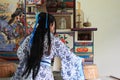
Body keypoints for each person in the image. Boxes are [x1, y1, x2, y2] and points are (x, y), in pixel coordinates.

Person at [12, 12, 85, 80]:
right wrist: (79, 60)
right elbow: (67, 55)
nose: (54, 28)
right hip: (45, 75)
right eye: (53, 25)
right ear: (51, 25)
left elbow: (21, 53)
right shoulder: (53, 40)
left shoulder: (30, 38)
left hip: (29, 74)